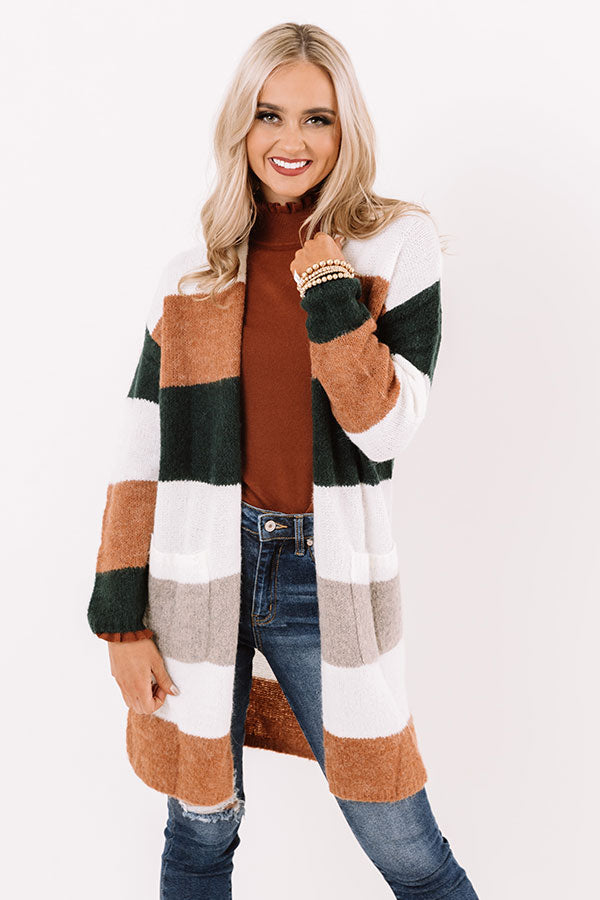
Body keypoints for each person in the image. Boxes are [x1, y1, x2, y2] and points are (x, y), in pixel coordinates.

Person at [87, 21, 480, 900]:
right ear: (242, 124)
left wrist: (329, 288)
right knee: (199, 831)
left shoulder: (395, 246)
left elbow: (385, 428)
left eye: (317, 118)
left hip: (322, 575)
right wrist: (121, 622)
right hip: (197, 571)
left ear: (347, 131)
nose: (290, 140)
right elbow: (138, 455)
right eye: (270, 115)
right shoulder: (192, 276)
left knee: (408, 846)